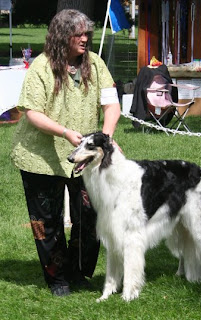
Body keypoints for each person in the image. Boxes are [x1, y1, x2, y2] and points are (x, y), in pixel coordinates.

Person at [11, 9, 121, 297]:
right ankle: (57, 277)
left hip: (85, 157)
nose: (85, 39)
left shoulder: (95, 64)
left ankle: (78, 272)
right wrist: (63, 132)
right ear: (62, 36)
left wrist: (105, 137)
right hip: (39, 157)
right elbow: (32, 113)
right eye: (79, 34)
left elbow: (111, 104)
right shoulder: (42, 67)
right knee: (46, 222)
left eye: (88, 33)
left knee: (90, 215)